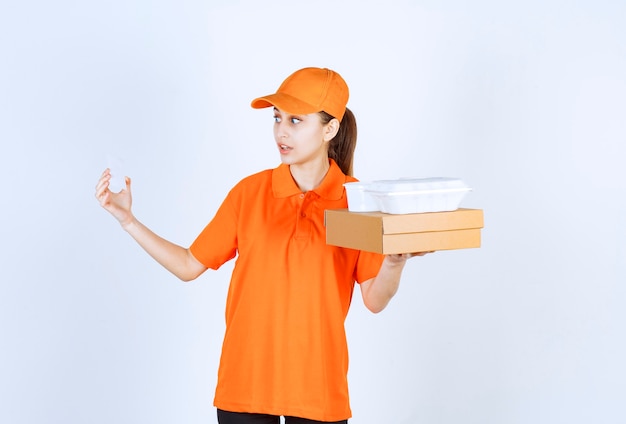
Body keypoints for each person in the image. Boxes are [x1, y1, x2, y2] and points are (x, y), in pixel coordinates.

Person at [95, 67, 429, 424]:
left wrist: (395, 260)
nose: (282, 131)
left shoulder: (358, 200)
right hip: (246, 386)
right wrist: (128, 220)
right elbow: (189, 265)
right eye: (277, 118)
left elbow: (374, 300)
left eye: (296, 121)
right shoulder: (249, 194)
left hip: (318, 390)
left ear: (329, 129)